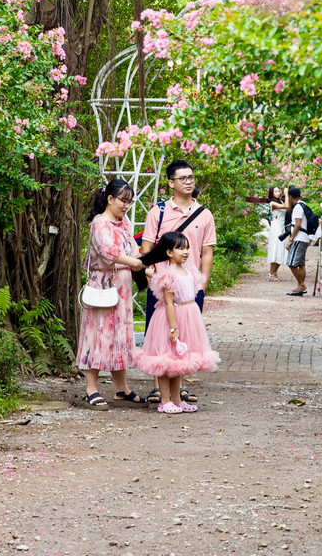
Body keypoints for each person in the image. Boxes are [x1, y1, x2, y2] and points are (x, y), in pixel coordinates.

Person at [141, 159, 216, 404]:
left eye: (191, 178)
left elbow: (206, 252)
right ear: (170, 182)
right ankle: (157, 387)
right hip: (162, 285)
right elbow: (148, 247)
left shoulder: (204, 214)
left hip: (189, 288)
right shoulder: (158, 211)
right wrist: (152, 275)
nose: (188, 182)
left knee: (185, 335)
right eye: (182, 178)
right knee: (159, 333)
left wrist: (202, 285)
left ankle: (178, 388)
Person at [75, 179, 149, 411]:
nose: (126, 206)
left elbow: (134, 250)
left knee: (120, 336)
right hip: (103, 287)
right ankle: (90, 390)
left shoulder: (123, 222)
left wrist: (145, 263)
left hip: (122, 290)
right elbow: (109, 253)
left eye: (129, 201)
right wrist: (136, 264)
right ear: (110, 199)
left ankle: (122, 389)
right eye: (122, 200)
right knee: (97, 335)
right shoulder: (100, 223)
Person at [134, 231, 221, 414]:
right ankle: (164, 401)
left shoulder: (189, 272)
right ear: (169, 252)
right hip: (170, 319)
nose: (186, 251)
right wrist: (174, 328)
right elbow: (168, 302)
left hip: (188, 316)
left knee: (178, 362)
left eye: (187, 248)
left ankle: (177, 399)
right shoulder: (168, 275)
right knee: (166, 361)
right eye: (180, 248)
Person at [284, 186, 310, 296]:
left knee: (291, 263)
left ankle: (301, 285)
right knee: (300, 264)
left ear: (290, 197)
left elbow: (297, 224)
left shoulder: (298, 207)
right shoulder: (304, 205)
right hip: (304, 237)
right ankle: (300, 286)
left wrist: (291, 239)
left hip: (299, 238)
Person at [265, 186, 289, 280]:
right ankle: (271, 273)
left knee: (281, 250)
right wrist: (286, 194)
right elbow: (286, 206)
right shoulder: (272, 203)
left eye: (279, 191)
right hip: (276, 227)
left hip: (282, 226)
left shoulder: (281, 201)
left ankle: (274, 272)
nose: (278, 193)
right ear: (272, 193)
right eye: (275, 191)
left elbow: (288, 208)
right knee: (276, 248)